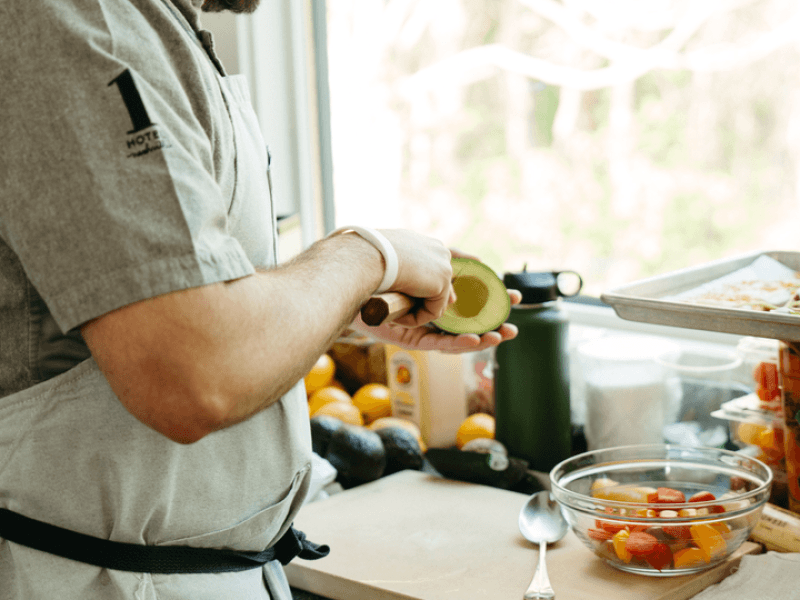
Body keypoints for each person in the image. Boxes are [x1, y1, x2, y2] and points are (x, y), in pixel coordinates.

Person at [0, 0, 520, 599]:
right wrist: (367, 256)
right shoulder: (76, 21)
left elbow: (180, 300)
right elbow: (193, 375)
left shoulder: (149, 24)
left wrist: (342, 311)